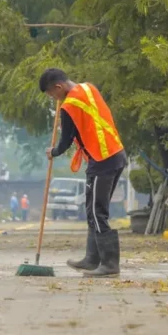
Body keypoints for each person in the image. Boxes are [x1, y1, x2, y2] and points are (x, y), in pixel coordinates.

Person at [40, 68, 126, 277]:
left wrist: (54, 152)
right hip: (115, 153)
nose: (54, 99)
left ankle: (109, 264)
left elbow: (66, 140)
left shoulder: (69, 106)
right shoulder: (89, 88)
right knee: (93, 210)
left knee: (97, 212)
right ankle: (91, 259)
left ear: (58, 87)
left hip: (102, 159)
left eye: (53, 95)